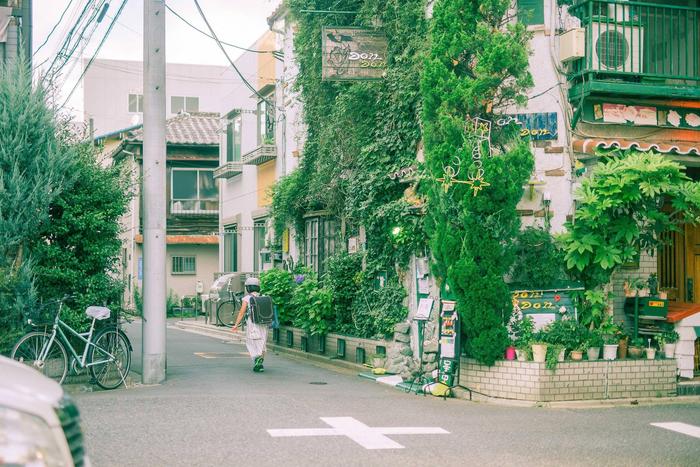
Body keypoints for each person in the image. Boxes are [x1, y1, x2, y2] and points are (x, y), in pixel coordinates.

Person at [232, 277, 268, 372]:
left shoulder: (247, 298)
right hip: (263, 324)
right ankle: (260, 362)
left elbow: (241, 312)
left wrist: (236, 325)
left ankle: (257, 359)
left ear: (248, 288)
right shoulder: (263, 297)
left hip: (252, 323)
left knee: (252, 342)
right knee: (262, 342)